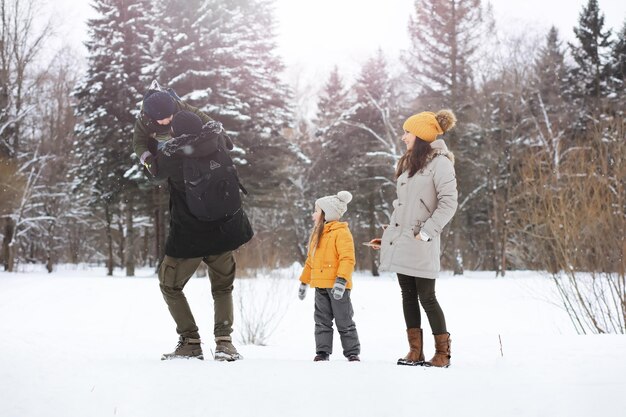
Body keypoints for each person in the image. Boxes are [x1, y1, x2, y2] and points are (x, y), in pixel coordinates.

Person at [154, 110, 253, 361]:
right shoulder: (218, 142)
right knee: (222, 288)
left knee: (170, 285)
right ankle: (224, 343)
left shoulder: (173, 156)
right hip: (223, 232)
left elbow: (154, 169)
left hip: (189, 237)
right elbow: (215, 131)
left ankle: (190, 341)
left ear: (177, 132)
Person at [371, 109, 458, 368]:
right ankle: (415, 351)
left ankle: (442, 354)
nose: (403, 136)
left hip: (423, 240)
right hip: (403, 239)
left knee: (427, 296)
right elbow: (403, 207)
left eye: (407, 132)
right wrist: (389, 237)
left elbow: (449, 202)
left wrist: (427, 232)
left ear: (420, 134)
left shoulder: (441, 163)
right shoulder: (409, 164)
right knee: (407, 294)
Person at [298, 191, 361, 362]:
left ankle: (352, 352)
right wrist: (304, 282)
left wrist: (341, 280)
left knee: (344, 320)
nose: (313, 215)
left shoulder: (341, 232)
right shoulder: (316, 234)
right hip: (320, 286)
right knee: (321, 321)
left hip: (338, 287)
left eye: (316, 211)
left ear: (327, 214)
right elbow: (310, 262)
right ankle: (322, 352)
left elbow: (347, 258)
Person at [133, 81, 212, 176]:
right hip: (159, 138)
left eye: (169, 116)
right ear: (152, 118)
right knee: (164, 166)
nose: (167, 121)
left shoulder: (178, 106)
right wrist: (147, 159)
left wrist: (215, 128)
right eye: (162, 119)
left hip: (179, 132)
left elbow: (198, 114)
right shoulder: (144, 120)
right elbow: (138, 142)